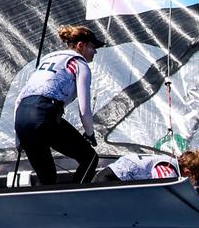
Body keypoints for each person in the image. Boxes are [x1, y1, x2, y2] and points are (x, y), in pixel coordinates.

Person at [13, 24, 103, 185]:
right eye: (92, 47)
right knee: (89, 158)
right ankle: (73, 200)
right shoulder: (79, 63)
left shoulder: (49, 59)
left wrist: (18, 137)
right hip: (43, 114)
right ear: (81, 46)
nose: (95, 51)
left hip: (21, 119)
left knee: (48, 180)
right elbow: (84, 109)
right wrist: (89, 134)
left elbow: (19, 99)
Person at [94, 149, 180, 183]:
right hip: (109, 180)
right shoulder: (169, 169)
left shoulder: (170, 161)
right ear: (188, 170)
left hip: (106, 175)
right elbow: (163, 191)